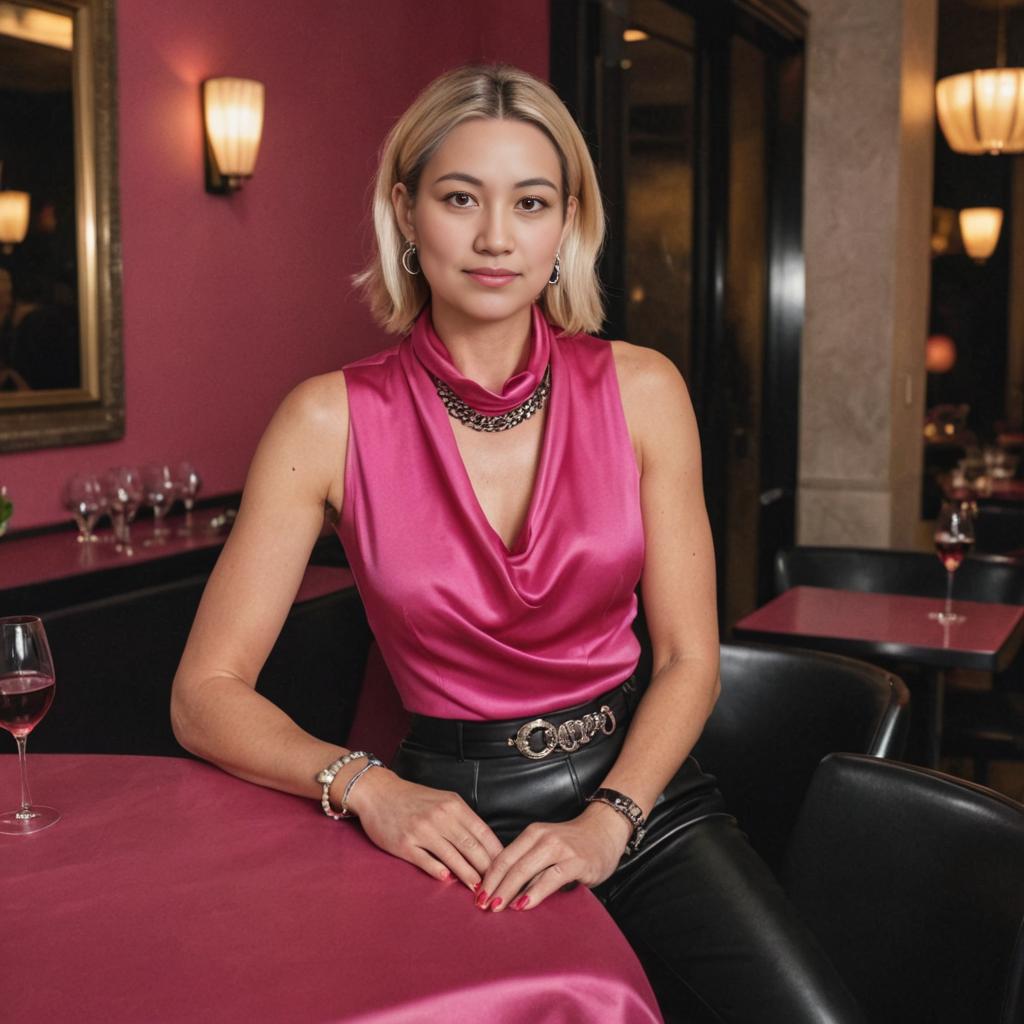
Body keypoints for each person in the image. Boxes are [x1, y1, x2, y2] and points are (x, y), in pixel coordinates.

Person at [171, 64, 864, 1023]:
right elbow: (203, 696)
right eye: (461, 199)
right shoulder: (326, 420)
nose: (496, 236)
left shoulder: (644, 390)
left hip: (641, 798)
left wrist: (609, 823)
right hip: (446, 821)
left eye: (530, 203)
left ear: (566, 226)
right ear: (408, 214)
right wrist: (367, 788)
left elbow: (688, 661)